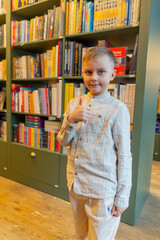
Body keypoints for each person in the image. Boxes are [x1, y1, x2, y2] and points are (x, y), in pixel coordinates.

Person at [57, 46, 132, 240]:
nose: (94, 78)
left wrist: (122, 196)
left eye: (101, 72)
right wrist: (71, 120)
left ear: (112, 75)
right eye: (88, 72)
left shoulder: (118, 109)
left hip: (103, 190)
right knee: (81, 233)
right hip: (76, 185)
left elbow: (124, 155)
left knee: (100, 237)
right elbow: (63, 141)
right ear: (82, 73)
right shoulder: (74, 104)